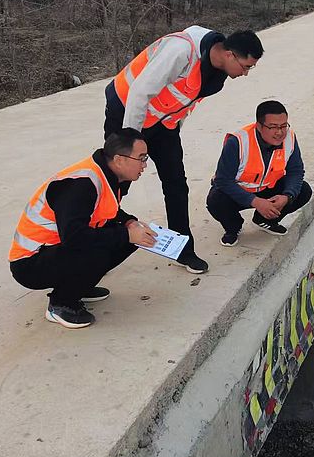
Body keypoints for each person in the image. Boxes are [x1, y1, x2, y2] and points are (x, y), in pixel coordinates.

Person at [104, 27, 263, 274]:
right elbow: (139, 93)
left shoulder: (216, 70)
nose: (245, 73)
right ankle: (97, 245)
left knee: (176, 184)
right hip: (126, 112)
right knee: (115, 182)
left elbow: (185, 99)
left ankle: (182, 250)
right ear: (230, 54)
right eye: (246, 67)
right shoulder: (181, 51)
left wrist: (174, 126)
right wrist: (132, 143)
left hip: (163, 123)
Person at [9, 129, 158, 329]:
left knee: (131, 238)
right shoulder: (81, 185)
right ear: (119, 160)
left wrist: (129, 222)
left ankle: (79, 286)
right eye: (141, 158)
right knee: (101, 250)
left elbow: (106, 210)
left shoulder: (108, 175)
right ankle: (61, 303)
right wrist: (126, 234)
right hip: (30, 263)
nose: (145, 165)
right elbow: (74, 237)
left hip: (56, 250)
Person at [206, 100, 312, 246]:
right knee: (216, 201)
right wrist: (255, 202)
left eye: (283, 126)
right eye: (273, 127)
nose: (280, 132)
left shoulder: (290, 138)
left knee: (303, 190)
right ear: (259, 126)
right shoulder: (238, 142)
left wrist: (287, 196)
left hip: (268, 189)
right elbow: (223, 180)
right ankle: (233, 228)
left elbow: (296, 171)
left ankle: (264, 220)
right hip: (239, 193)